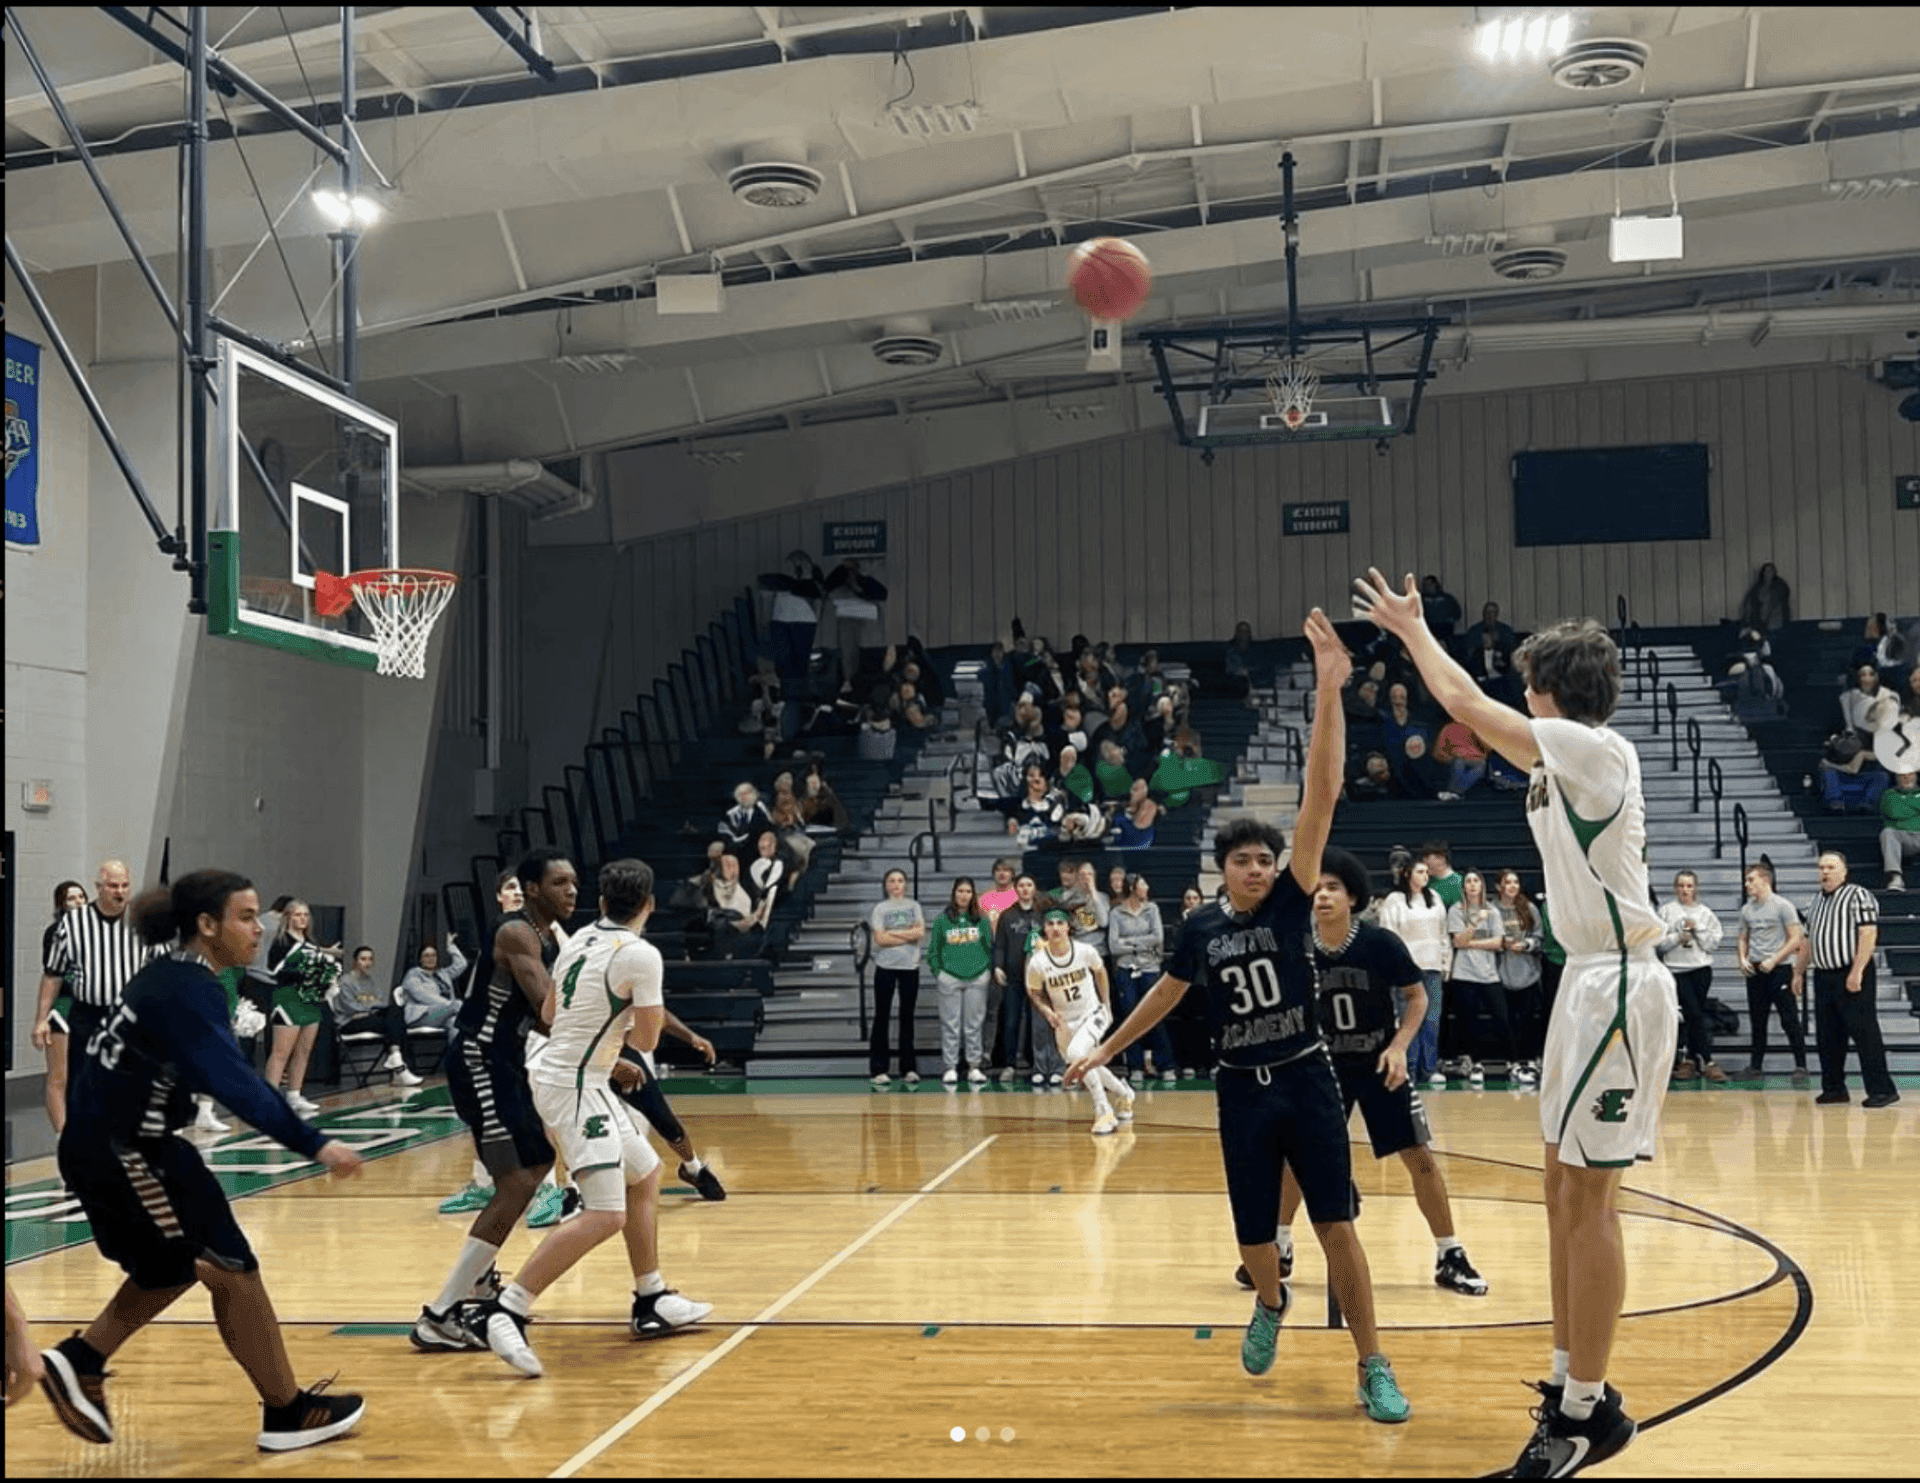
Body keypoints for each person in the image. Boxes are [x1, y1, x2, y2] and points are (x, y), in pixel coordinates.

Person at [1351, 568, 1678, 1476]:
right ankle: (1577, 1385)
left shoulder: (1595, 750)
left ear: (1549, 693)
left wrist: (1413, 632)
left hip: (1620, 983)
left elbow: (1458, 698)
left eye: (1528, 683)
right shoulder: (1560, 760)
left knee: (1592, 1200)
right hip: (1585, 985)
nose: (1518, 696)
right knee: (1559, 1193)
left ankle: (1586, 1413)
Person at [1065, 608, 1413, 1426]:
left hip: (1307, 1077)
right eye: (1244, 860)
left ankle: (1374, 1363)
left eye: (1267, 857)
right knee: (1257, 1242)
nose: (1260, 866)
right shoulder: (1201, 929)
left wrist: (1330, 689)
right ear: (1221, 871)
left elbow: (1321, 793)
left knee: (1338, 1227)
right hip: (1240, 1092)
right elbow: (1165, 995)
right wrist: (1104, 1052)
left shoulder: (1294, 902)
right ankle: (1269, 1299)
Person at [39, 870, 366, 1452]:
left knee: (197, 1267)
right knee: (222, 1266)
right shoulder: (186, 987)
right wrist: (313, 1142)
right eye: (245, 916)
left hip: (139, 1146)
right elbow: (235, 1082)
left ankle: (83, 1358)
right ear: (206, 925)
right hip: (124, 1150)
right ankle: (285, 1412)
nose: (258, 928)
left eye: (259, 914)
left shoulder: (176, 978)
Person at [477, 859, 713, 1376]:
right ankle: (508, 1309)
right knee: (606, 1214)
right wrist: (628, 1015)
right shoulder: (641, 955)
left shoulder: (578, 939)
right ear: (648, 906)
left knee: (646, 1172)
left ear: (602, 903)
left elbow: (548, 1014)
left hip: (574, 1076)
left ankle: (650, 1298)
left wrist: (601, 1037)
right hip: (576, 1088)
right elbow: (649, 1042)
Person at [1238, 846, 1488, 1300]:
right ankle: (1281, 1244)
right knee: (1295, 1159)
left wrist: (1398, 1048)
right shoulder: (1296, 946)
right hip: (1320, 1069)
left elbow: (1417, 998)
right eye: (1317, 889)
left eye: (1333, 888)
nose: (1322, 896)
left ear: (1353, 897)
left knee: (1420, 1157)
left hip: (1378, 1064)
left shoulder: (1379, 943)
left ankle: (1449, 1253)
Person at [413, 849, 576, 1353]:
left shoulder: (545, 934)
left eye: (574, 882)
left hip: (503, 1060)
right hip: (480, 1058)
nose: (571, 890)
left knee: (537, 1162)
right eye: (559, 883)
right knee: (518, 1179)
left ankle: (481, 1288)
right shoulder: (517, 932)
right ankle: (440, 1314)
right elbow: (548, 1012)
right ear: (531, 889)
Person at [35, 860, 153, 1132]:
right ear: (99, 887)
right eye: (113, 885)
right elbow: (52, 975)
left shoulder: (144, 922)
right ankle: (74, 1141)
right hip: (87, 1011)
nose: (119, 891)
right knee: (81, 1079)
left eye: (124, 885)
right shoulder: (73, 925)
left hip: (129, 1014)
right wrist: (41, 1018)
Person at [1793, 852, 1898, 1108]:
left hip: (1851, 973)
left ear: (1844, 871)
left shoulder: (1858, 895)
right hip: (1823, 975)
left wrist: (1857, 970)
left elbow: (1868, 934)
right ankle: (1834, 1088)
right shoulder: (1815, 901)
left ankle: (1882, 1089)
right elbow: (1806, 941)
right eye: (1821, 867)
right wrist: (1798, 971)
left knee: (1864, 1033)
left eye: (1831, 867)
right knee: (1827, 1036)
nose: (1825, 872)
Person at [1027, 907, 1134, 1135]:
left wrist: (1106, 1005)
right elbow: (1034, 991)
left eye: (1059, 923)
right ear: (1044, 929)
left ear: (1068, 927)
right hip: (1064, 1022)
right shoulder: (1037, 962)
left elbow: (1101, 972)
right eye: (1050, 924)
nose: (1055, 928)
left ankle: (1103, 1110)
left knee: (1078, 1054)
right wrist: (1047, 1012)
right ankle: (1124, 1093)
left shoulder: (1085, 951)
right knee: (1087, 1063)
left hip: (1092, 1014)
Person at [1377, 859, 1451, 1089]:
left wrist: (1445, 962)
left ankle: (1428, 1070)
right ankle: (1408, 1068)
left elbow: (1443, 934)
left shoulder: (1435, 899)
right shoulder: (1394, 900)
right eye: (1420, 871)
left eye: (1427, 872)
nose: (1425, 876)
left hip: (1433, 967)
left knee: (1432, 1020)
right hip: (1407, 970)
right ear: (1408, 873)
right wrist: (1394, 966)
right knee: (1408, 1020)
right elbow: (1388, 935)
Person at [262, 901, 341, 1116]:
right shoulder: (281, 942)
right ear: (288, 917)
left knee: (304, 1050)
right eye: (297, 915)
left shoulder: (311, 942)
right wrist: (304, 971)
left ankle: (295, 1094)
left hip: (310, 999)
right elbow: (274, 970)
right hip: (288, 998)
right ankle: (270, 1098)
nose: (302, 919)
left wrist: (325, 976)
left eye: (305, 915)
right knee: (281, 1052)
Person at [1735, 862, 1809, 1085]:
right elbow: (1742, 937)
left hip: (1779, 969)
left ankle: (1801, 1065)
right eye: (1746, 880)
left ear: (1765, 881)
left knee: (1789, 1018)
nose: (1747, 884)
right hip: (1756, 970)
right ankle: (1756, 1066)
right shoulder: (1747, 909)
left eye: (1751, 880)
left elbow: (1796, 937)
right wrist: (1742, 959)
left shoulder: (1783, 906)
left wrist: (1774, 959)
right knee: (1758, 1020)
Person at [1656, 872, 1729, 1084]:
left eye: (1689, 886)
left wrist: (1698, 929)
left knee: (1691, 1014)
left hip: (1701, 970)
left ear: (1695, 888)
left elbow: (1711, 945)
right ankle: (1708, 1061)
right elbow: (1660, 945)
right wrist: (1679, 936)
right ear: (1675, 888)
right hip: (1676, 970)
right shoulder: (1666, 911)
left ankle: (1688, 1059)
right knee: (1694, 1013)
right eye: (1681, 886)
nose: (1685, 890)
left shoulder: (1705, 913)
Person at [1445, 872, 1515, 1085]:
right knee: (1468, 1021)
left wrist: (1471, 942)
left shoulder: (1492, 910)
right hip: (1464, 973)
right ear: (1463, 886)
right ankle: (1471, 1062)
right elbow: (1458, 941)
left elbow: (1499, 942)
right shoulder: (1456, 910)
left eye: (1476, 881)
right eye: (1468, 881)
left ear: (1482, 885)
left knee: (1502, 1017)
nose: (1472, 884)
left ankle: (1512, 1061)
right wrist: (1475, 922)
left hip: (1488, 974)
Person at [925, 878, 993, 1086]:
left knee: (974, 1025)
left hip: (977, 977)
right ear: (954, 894)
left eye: (968, 891)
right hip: (950, 978)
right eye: (960, 891)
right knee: (951, 1025)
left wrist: (986, 972)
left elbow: (989, 947)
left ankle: (974, 1067)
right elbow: (933, 951)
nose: (964, 895)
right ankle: (951, 1067)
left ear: (973, 895)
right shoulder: (942, 921)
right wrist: (940, 973)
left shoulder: (981, 921)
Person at [991, 873, 1057, 1084]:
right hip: (1014, 977)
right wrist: (997, 966)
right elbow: (999, 944)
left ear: (1034, 888)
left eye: (1029, 885)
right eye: (1021, 885)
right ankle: (1009, 1064)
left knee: (1038, 1022)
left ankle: (1036, 1065)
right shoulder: (1007, 915)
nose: (1025, 889)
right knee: (1011, 1020)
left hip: (1040, 979)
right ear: (1016, 889)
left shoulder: (1043, 915)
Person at [1107, 874, 1174, 1084]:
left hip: (1150, 967)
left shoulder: (1152, 909)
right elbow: (1113, 945)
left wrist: (1130, 942)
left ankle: (1165, 1064)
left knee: (1155, 1014)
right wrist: (1140, 944)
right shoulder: (1116, 912)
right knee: (1129, 1016)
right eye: (1143, 884)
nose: (1147, 887)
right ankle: (1134, 1065)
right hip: (1126, 968)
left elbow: (1158, 938)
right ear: (1134, 888)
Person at [37, 880, 90, 1138]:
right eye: (72, 898)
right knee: (60, 1077)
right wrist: (41, 1018)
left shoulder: (98, 932)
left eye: (81, 897)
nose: (78, 902)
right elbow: (54, 975)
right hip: (64, 1009)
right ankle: (63, 1136)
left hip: (92, 1011)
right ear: (61, 904)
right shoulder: (56, 932)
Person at [331, 946, 424, 1088]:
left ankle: (396, 1057)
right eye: (363, 959)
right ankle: (399, 1070)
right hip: (349, 1022)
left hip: (367, 1017)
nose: (367, 963)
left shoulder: (369, 980)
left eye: (370, 959)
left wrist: (369, 1007)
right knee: (393, 1022)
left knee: (395, 1012)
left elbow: (379, 1001)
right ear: (355, 961)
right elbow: (350, 1007)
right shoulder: (346, 981)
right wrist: (370, 1007)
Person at [868, 870, 925, 1087]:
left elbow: (919, 934)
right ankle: (879, 1069)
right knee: (882, 1016)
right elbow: (880, 938)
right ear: (885, 885)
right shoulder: (881, 909)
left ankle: (908, 1068)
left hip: (910, 967)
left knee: (907, 1017)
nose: (896, 884)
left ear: (905, 884)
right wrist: (906, 934)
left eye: (900, 880)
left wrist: (893, 934)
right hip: (885, 967)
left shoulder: (914, 906)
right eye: (891, 880)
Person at [1494, 868, 1546, 1085]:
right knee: (1508, 1020)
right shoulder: (1491, 910)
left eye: (1516, 882)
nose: (1513, 886)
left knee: (1528, 1019)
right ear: (1499, 887)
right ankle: (1512, 1060)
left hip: (1528, 972)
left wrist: (1526, 944)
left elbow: (1539, 937)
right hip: (1502, 973)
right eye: (1508, 882)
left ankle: (1529, 1060)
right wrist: (1501, 944)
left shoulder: (1529, 908)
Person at [397, 936, 470, 1032]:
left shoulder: (442, 974)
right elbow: (422, 995)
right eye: (427, 956)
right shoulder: (414, 974)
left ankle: (456, 1047)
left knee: (454, 1023)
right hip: (422, 1015)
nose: (431, 958)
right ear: (420, 959)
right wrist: (450, 1005)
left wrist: (451, 947)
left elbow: (462, 964)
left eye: (433, 955)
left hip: (443, 1013)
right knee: (460, 1005)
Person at [1882, 771, 1920, 891]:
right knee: (1888, 833)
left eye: (1910, 774)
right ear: (1896, 777)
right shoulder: (1889, 795)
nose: (1906, 777)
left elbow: (1901, 813)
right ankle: (1896, 878)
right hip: (1901, 838)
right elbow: (1894, 812)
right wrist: (1916, 810)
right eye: (1902, 775)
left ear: (1916, 776)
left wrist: (1906, 807)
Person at [1736, 561, 1791, 632]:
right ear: (1763, 572)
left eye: (1770, 570)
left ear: (1774, 572)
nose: (1768, 573)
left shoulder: (1780, 585)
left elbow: (1778, 603)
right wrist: (1747, 623)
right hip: (1759, 624)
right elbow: (1748, 604)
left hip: (1776, 622)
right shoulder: (1757, 587)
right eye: (1766, 571)